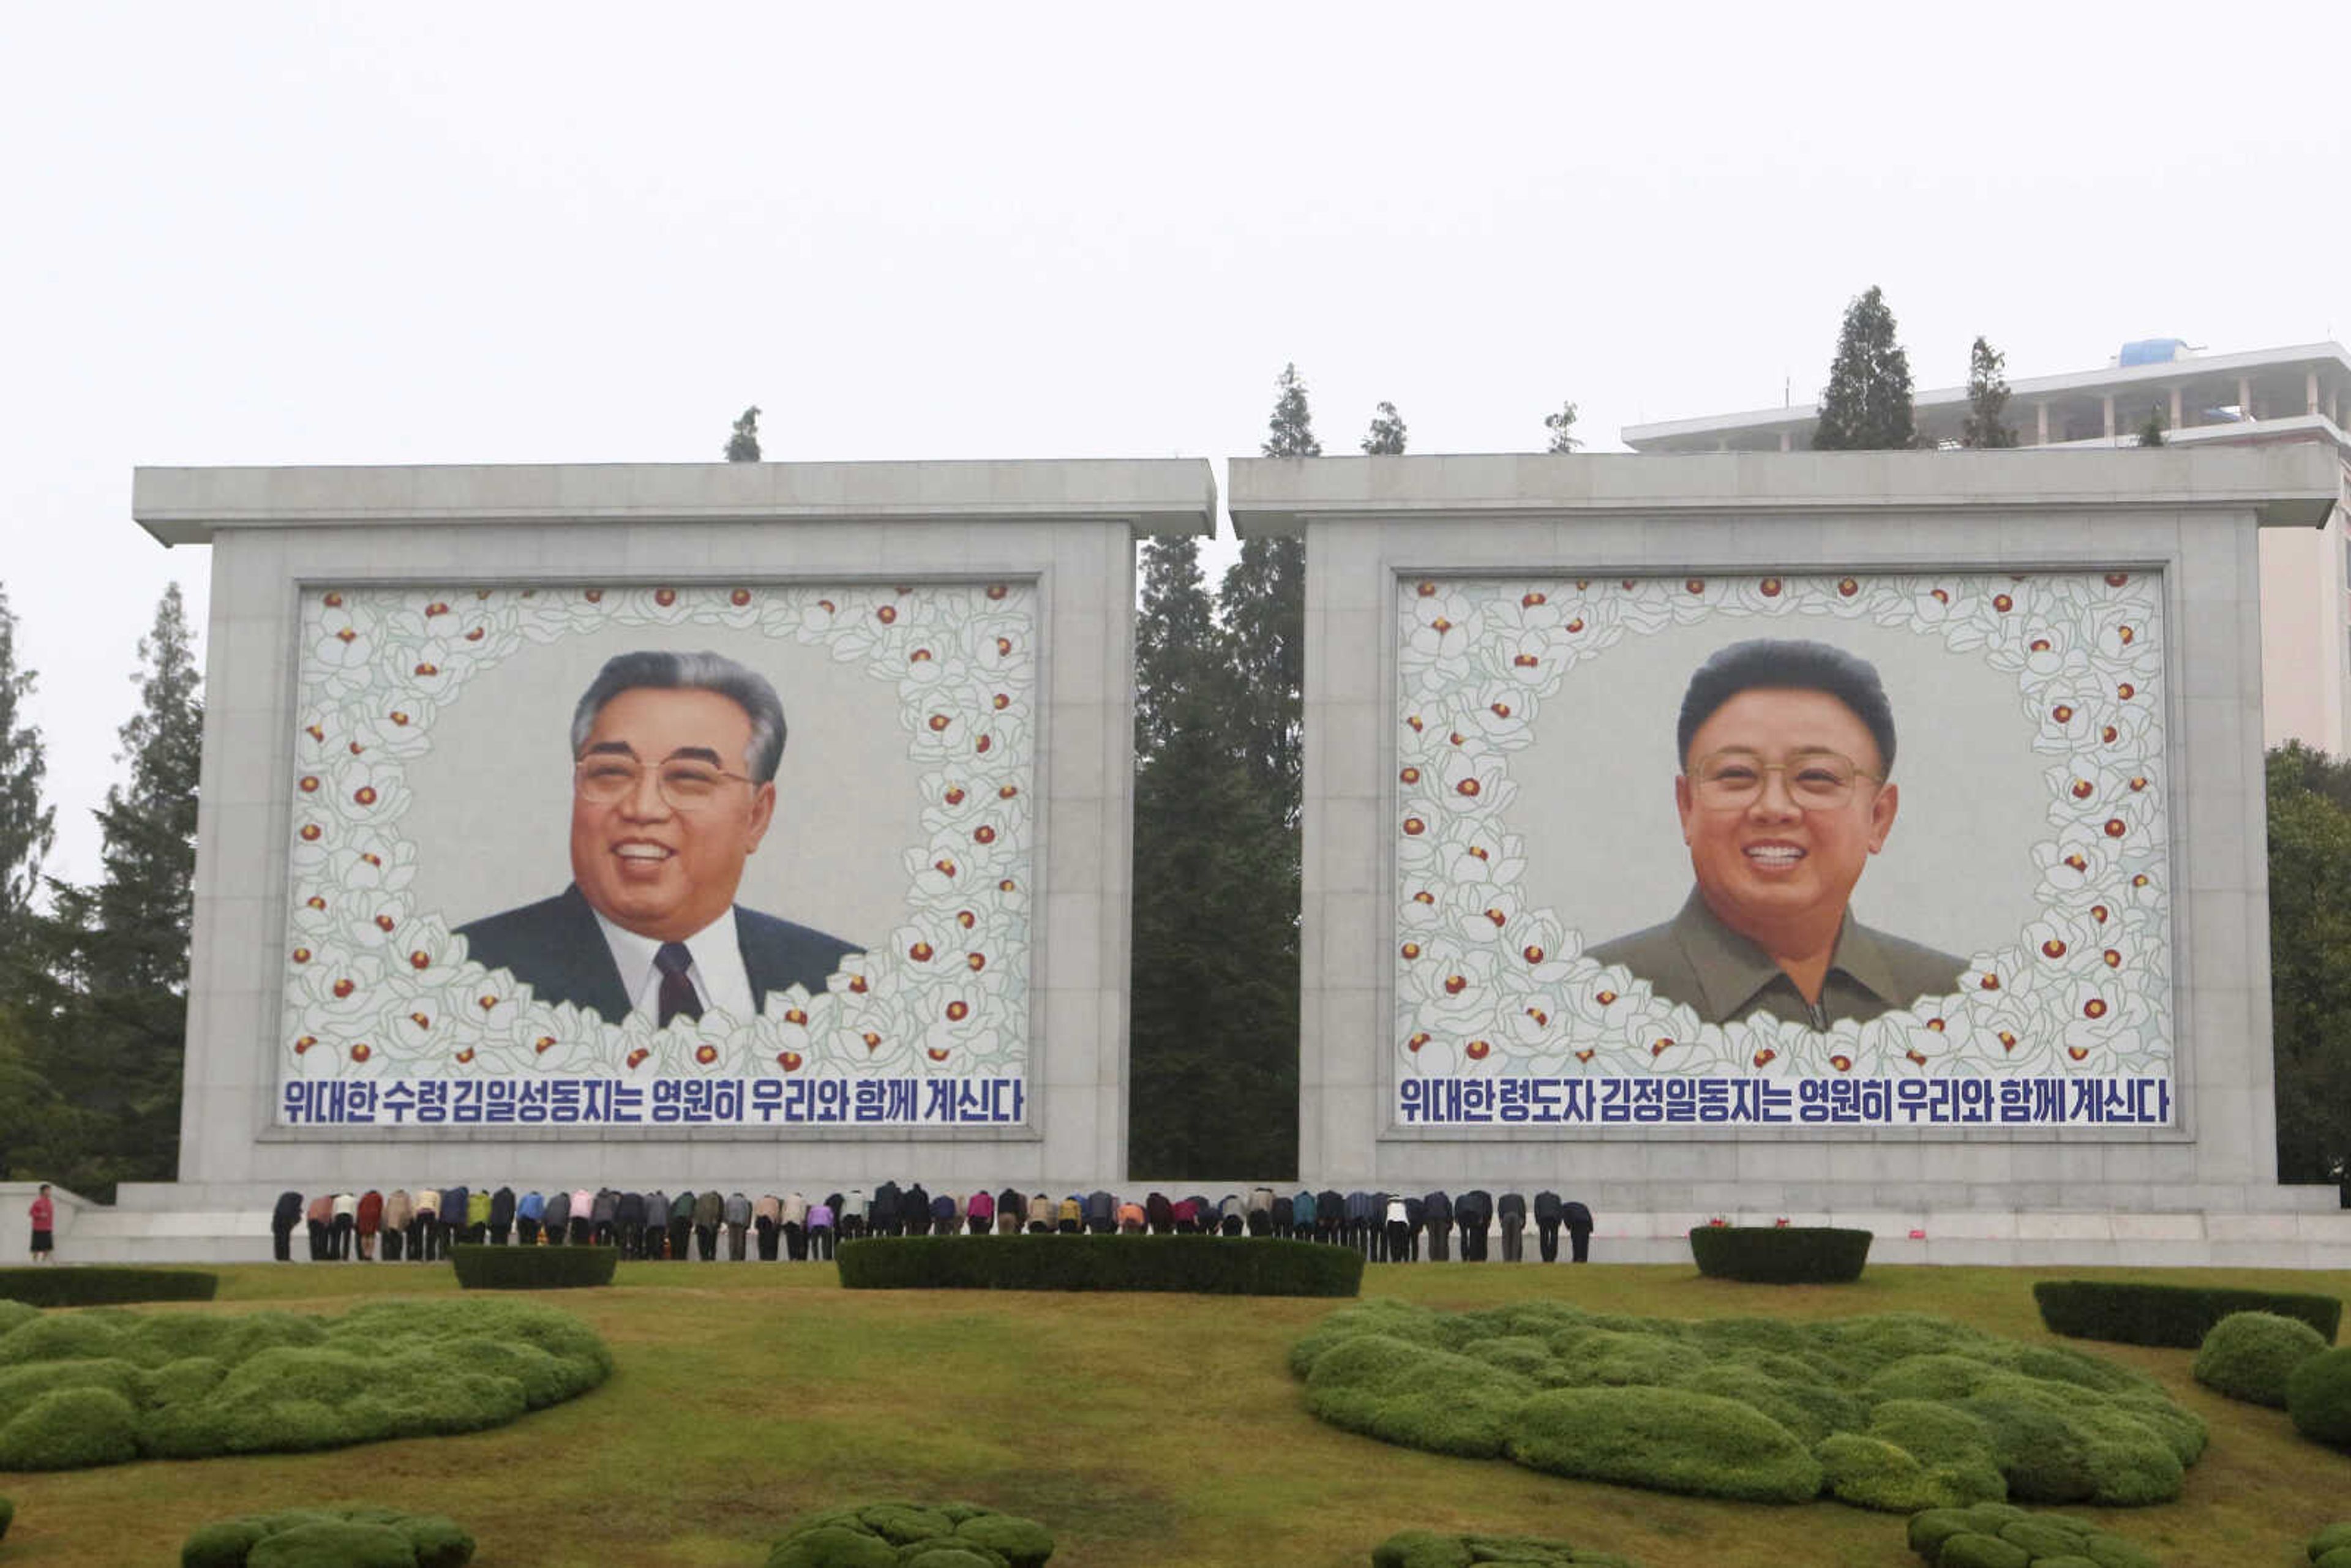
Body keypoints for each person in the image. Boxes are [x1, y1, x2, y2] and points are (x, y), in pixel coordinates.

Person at [454, 650, 862, 1026]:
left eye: (688, 777)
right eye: (611, 772)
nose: (642, 808)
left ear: (756, 816)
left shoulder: (845, 983)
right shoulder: (464, 975)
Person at [1589, 639, 1966, 1028]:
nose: (1773, 808)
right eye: (1737, 775)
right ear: (1688, 807)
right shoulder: (1588, 1002)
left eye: (1816, 777)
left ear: (1879, 817)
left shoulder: (1959, 1003)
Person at [269, 1191, 303, 1263]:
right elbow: (296, 1215)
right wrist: (293, 1223)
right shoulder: (297, 1199)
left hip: (278, 1218)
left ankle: (279, 1257)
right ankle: (285, 1258)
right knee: (285, 1238)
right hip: (286, 1218)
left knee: (278, 1239)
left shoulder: (284, 1200)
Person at [26, 1184, 55, 1264]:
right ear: (43, 1191)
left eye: (50, 1190)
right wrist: (40, 1215)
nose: (49, 1192)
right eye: (48, 1190)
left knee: (47, 1248)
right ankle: (35, 1263)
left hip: (48, 1228)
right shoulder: (38, 1202)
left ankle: (43, 1263)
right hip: (38, 1228)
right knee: (36, 1248)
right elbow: (31, 1213)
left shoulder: (50, 1202)